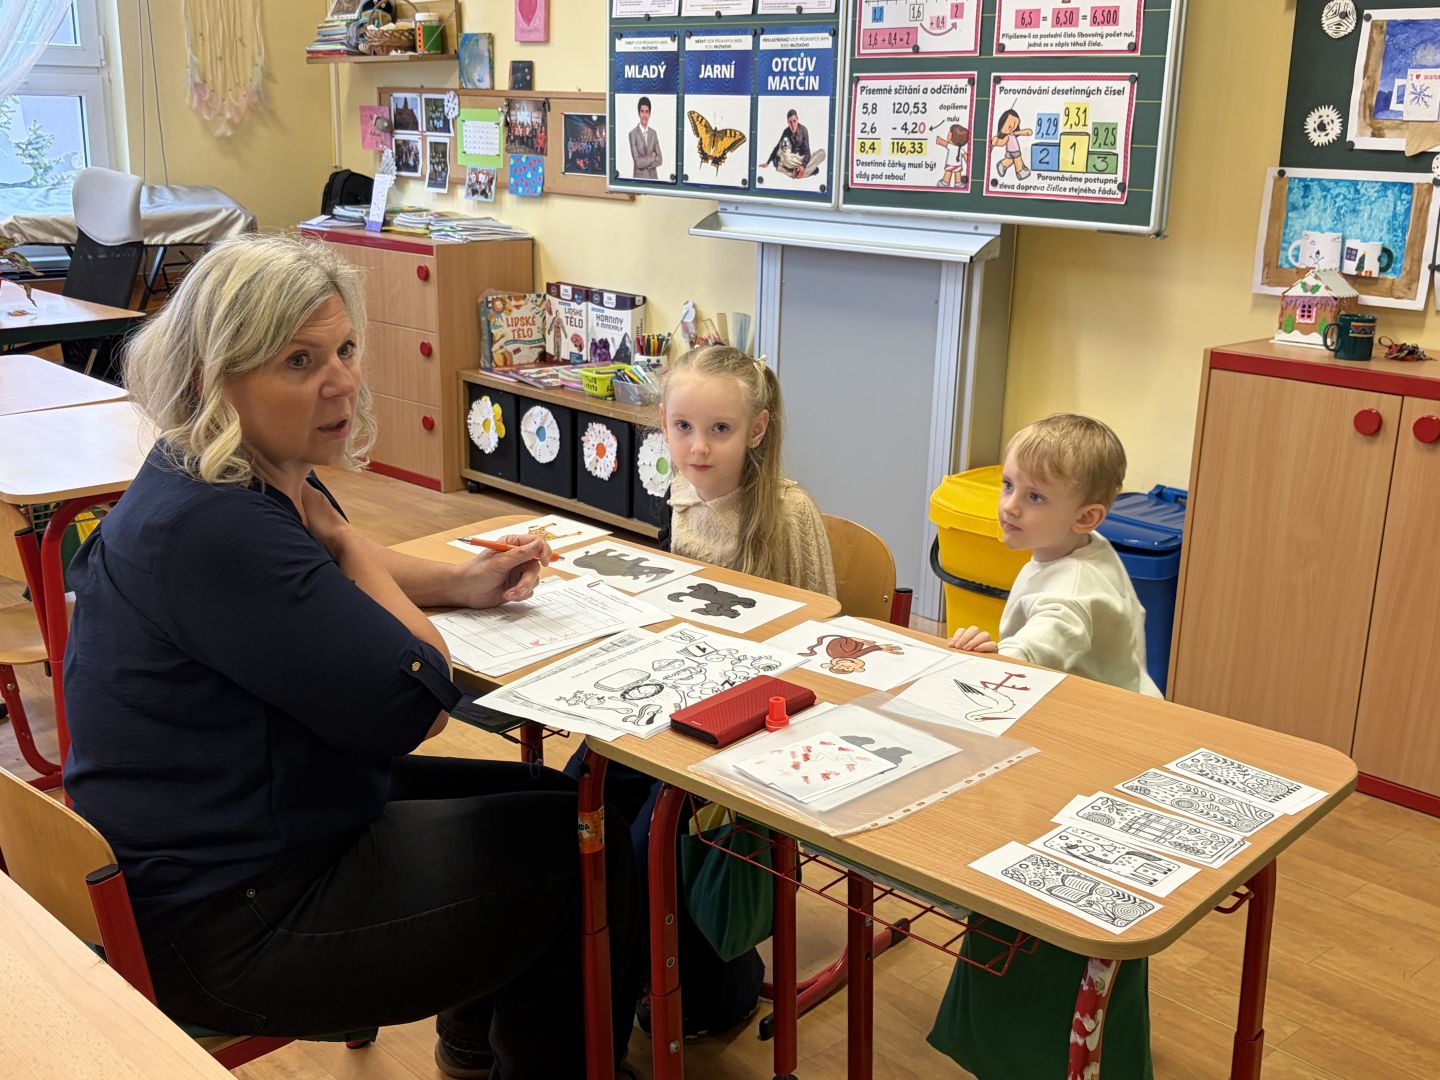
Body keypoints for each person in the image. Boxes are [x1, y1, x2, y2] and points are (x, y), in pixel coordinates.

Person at [62, 234, 640, 1080]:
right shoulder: (218, 528)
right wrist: (345, 539)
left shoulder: (208, 471)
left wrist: (460, 580)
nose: (342, 382)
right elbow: (419, 693)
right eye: (299, 362)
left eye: (344, 350)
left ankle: (475, 1044)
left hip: (224, 844)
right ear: (212, 377)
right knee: (583, 848)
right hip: (230, 925)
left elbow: (315, 574)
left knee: (558, 802)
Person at [568, 345, 835, 1037]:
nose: (698, 448)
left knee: (640, 850)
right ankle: (602, 975)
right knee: (576, 795)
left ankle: (663, 983)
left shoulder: (787, 512)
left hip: (743, 731)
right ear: (662, 422)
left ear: (757, 429)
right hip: (671, 702)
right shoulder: (680, 498)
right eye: (682, 427)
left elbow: (817, 645)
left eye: (720, 429)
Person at [929, 412, 1156, 1080]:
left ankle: (1061, 1026)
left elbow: (1049, 642)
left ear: (1086, 516)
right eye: (1008, 486)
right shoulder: (1071, 550)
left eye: (1033, 496)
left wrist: (997, 657)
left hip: (1104, 746)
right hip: (1094, 724)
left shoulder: (1075, 584)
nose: (1009, 506)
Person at [762, 109, 811, 177]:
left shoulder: (803, 130)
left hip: (801, 158)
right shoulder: (786, 131)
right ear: (787, 122)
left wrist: (803, 166)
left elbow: (807, 152)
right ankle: (798, 169)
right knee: (782, 155)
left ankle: (798, 169)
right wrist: (768, 162)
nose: (793, 125)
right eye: (790, 122)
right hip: (790, 158)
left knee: (821, 153)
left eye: (794, 121)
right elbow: (777, 147)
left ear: (797, 119)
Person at [992, 107, 1032, 181]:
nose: (1011, 127)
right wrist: (996, 142)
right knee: (1018, 160)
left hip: (1012, 152)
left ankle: (1002, 164)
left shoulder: (1014, 133)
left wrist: (1019, 132)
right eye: (1009, 126)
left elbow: (1028, 132)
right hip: (1014, 151)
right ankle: (1020, 171)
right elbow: (1002, 143)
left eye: (1014, 123)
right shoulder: (1007, 137)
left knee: (1009, 161)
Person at [628, 96, 662, 180]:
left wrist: (644, 161)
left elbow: (660, 160)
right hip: (640, 180)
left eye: (647, 112)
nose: (644, 115)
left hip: (653, 179)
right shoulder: (633, 134)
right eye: (642, 111)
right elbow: (638, 163)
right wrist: (653, 156)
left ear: (649, 114)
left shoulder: (653, 133)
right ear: (639, 113)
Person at [935, 123, 969, 188]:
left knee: (948, 172)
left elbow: (943, 143)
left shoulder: (950, 146)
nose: (948, 135)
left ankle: (945, 183)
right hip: (958, 165)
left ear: (952, 137)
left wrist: (939, 140)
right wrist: (968, 161)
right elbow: (965, 156)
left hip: (950, 164)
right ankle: (958, 184)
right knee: (958, 173)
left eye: (949, 133)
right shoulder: (960, 149)